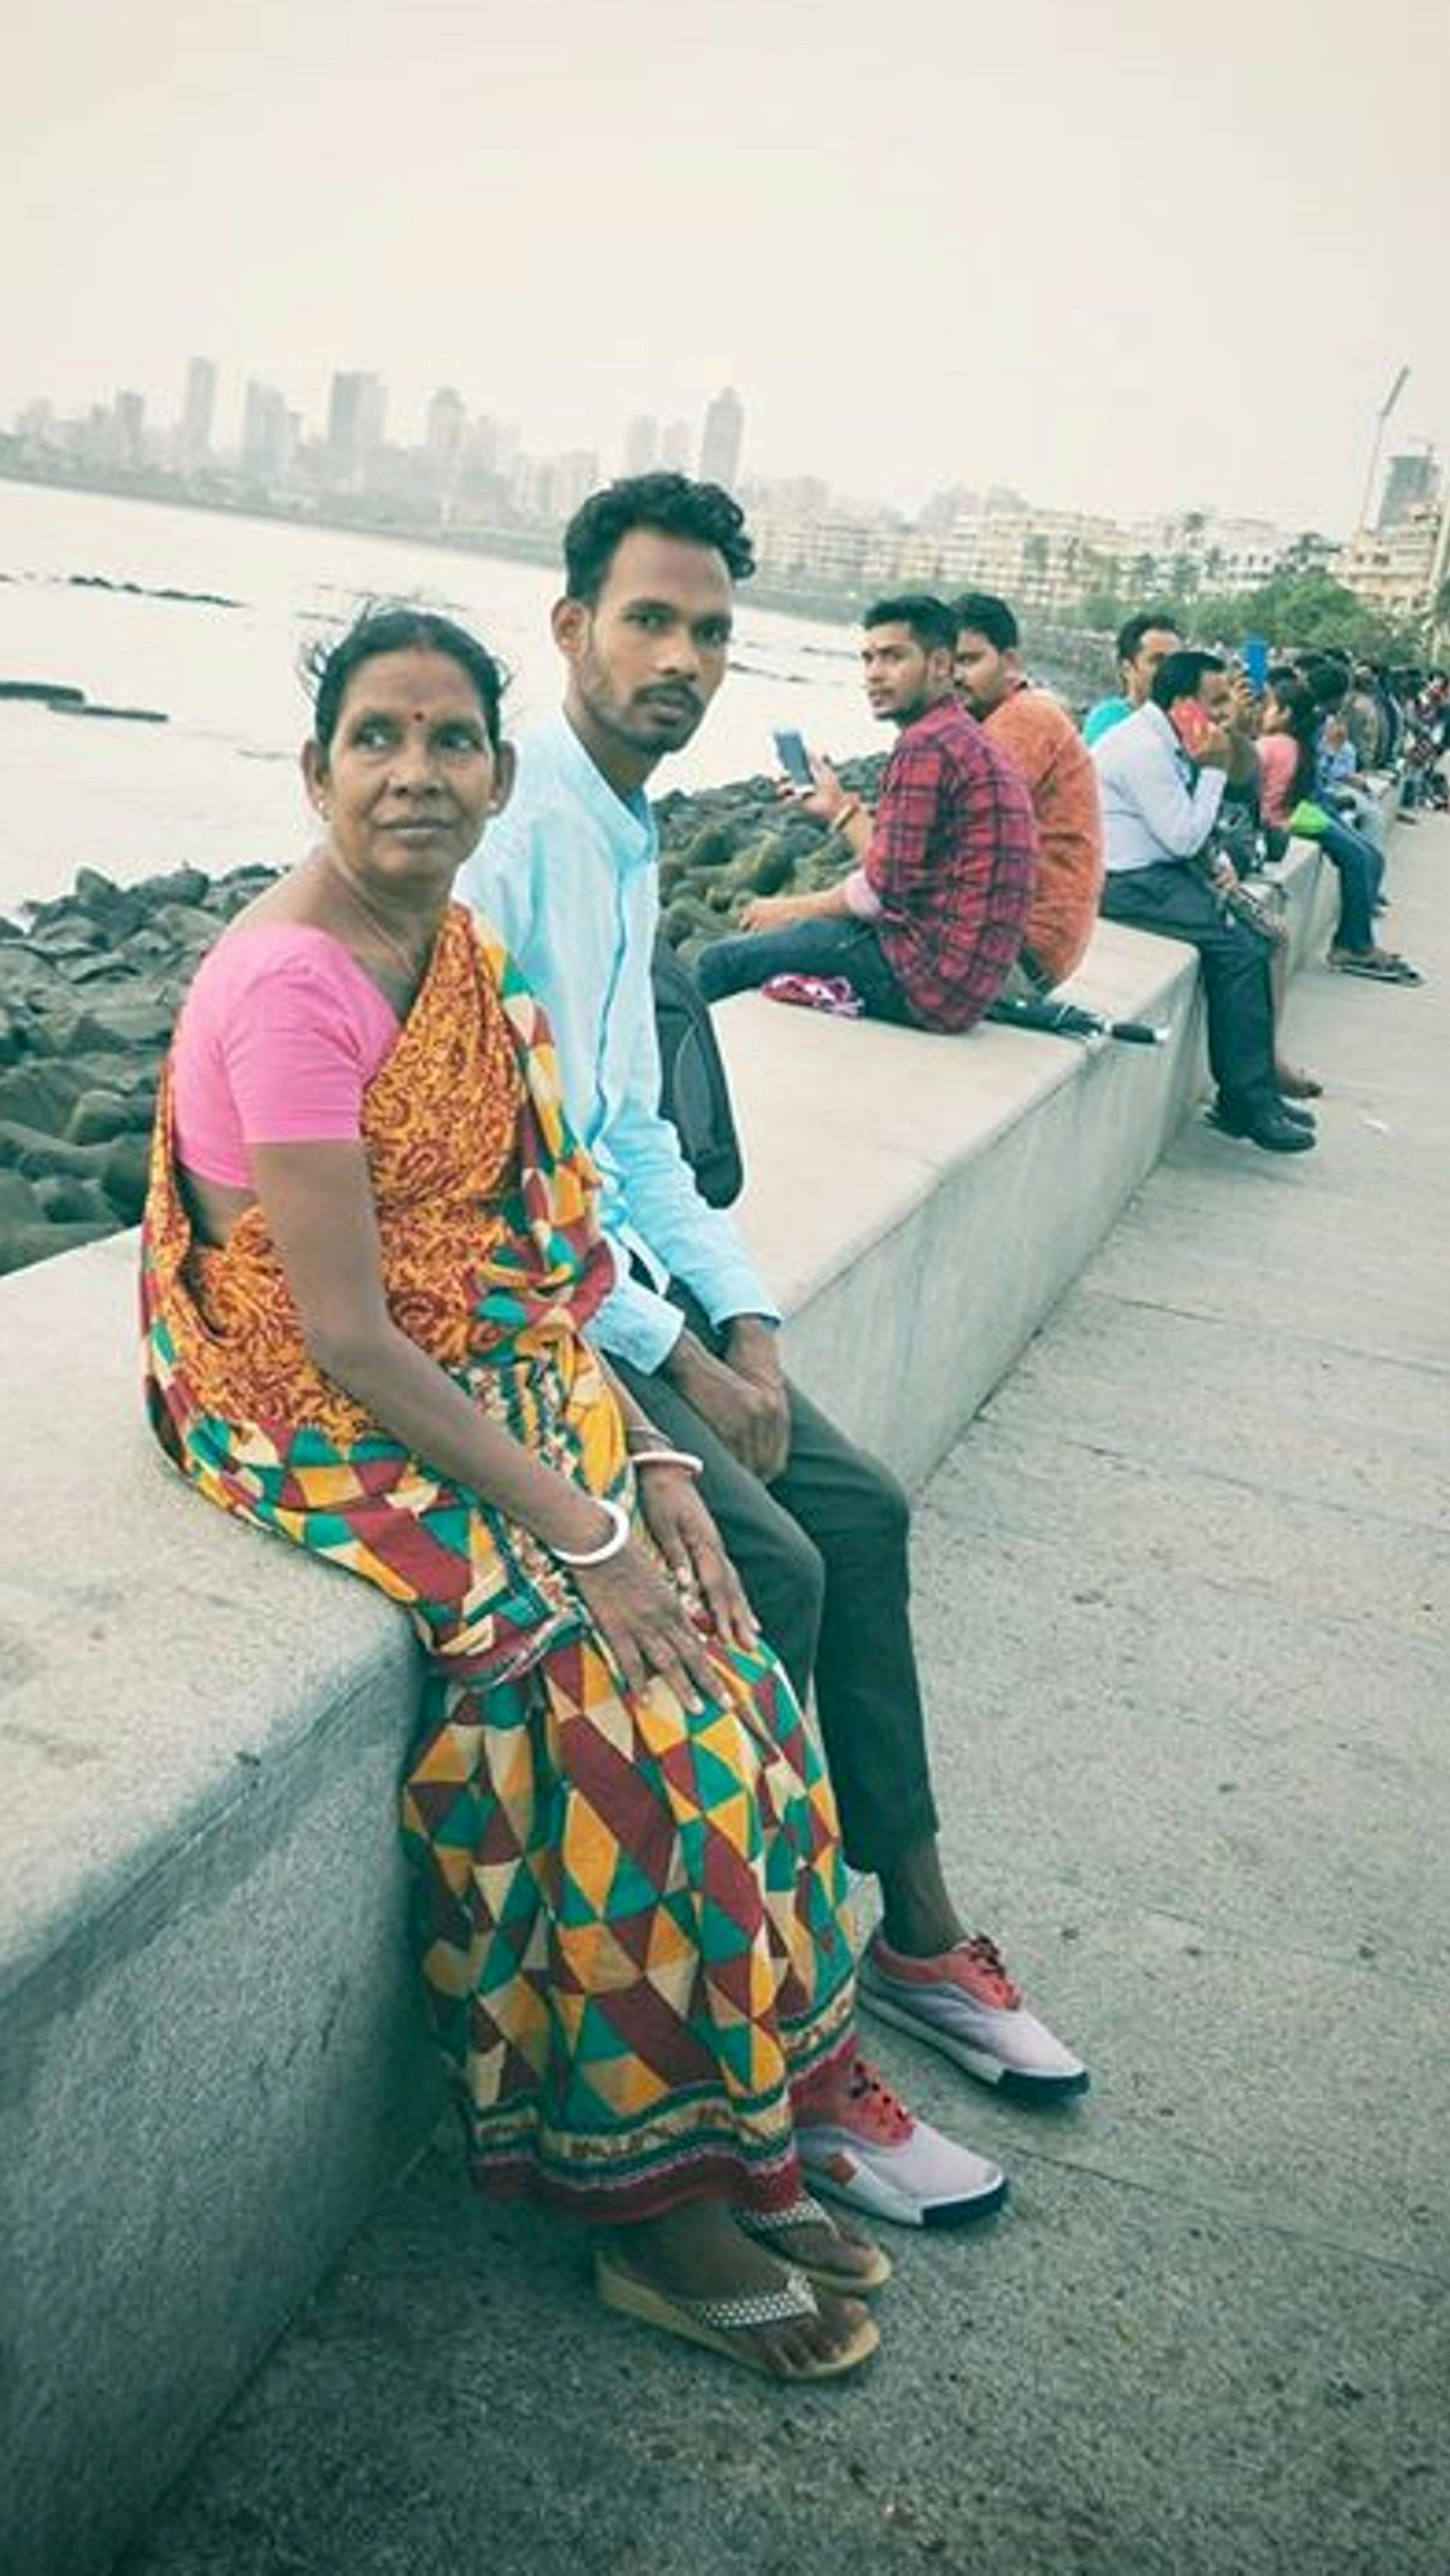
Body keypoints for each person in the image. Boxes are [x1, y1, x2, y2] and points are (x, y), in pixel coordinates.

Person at [140, 601, 989, 2385]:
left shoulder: (462, 957)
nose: (414, 772)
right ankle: (647, 2213)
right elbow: (346, 1334)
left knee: (739, 1682)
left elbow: (544, 1239)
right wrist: (584, 1526)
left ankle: (746, 2136)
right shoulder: (295, 983)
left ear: (495, 774)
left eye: (450, 740)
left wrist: (653, 1454)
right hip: (301, 1399)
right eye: (376, 738)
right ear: (312, 772)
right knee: (604, 1725)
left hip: (484, 1362)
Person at [461, 476, 1090, 2197]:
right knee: (776, 1574)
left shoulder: (621, 826)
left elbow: (629, 1135)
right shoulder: (517, 839)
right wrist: (675, 1351)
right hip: (529, 1311)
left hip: (623, 1289)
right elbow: (503, 1175)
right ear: (570, 626)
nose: (682, 658)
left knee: (860, 1512)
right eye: (649, 621)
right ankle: (786, 2043)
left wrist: (741, 1318)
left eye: (711, 631)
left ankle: (918, 1936)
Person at [694, 592, 1038, 1031]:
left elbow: (880, 893)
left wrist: (788, 909)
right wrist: (837, 808)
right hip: (964, 984)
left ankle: (678, 1074)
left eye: (893, 657)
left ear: (939, 665)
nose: (874, 674)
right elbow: (901, 873)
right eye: (868, 658)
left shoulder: (926, 745)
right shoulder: (961, 736)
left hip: (924, 982)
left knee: (718, 961)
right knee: (804, 937)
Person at [1093, 648, 1315, 1154]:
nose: (1222, 715)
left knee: (1259, 939)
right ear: (1182, 704)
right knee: (1238, 950)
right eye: (1214, 703)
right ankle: (1245, 1102)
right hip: (1126, 884)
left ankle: (1257, 1091)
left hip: (1159, 873)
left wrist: (1216, 860)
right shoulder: (1141, 749)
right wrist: (1214, 769)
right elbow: (1182, 837)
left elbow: (1195, 826)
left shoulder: (1171, 740)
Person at [949, 591, 1104, 986]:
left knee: (818, 943)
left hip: (1019, 953)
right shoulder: (998, 718)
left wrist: (844, 815)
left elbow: (944, 839)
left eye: (969, 660)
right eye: (946, 664)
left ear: (1011, 662)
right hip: (1017, 942)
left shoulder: (1023, 721)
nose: (955, 677)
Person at [1257, 671, 1419, 986]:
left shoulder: (1292, 743)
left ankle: (1355, 940)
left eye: (1269, 706)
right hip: (1288, 819)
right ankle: (1353, 945)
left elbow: (1313, 784)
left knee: (1370, 857)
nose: (1262, 712)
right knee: (1359, 858)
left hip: (1302, 813)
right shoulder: (1274, 745)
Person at [1082, 613, 1182, 746]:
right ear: (1127, 669)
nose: (1171, 669)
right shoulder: (1109, 721)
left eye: (1176, 660)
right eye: (1157, 661)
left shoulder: (1189, 723)